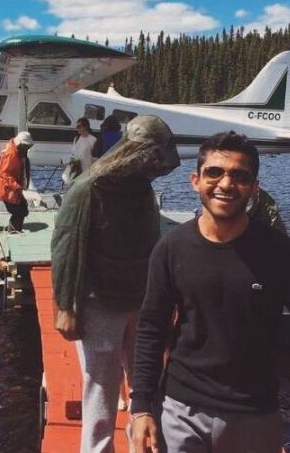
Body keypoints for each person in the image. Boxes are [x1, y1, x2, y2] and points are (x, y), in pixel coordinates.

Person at [131, 131, 290, 453]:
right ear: (195, 180)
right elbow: (151, 329)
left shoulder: (281, 253)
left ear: (254, 187)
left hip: (255, 414)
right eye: (214, 172)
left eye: (239, 176)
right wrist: (141, 408)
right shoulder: (171, 248)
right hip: (181, 409)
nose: (225, 184)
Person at [51, 115, 181, 453]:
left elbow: (154, 243)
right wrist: (65, 306)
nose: (154, 165)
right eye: (150, 156)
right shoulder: (88, 188)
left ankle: (145, 444)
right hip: (100, 304)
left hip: (140, 302)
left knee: (145, 383)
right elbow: (65, 248)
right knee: (101, 388)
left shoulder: (142, 190)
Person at [0, 131, 33, 234]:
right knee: (19, 211)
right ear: (20, 144)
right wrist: (18, 187)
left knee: (22, 209)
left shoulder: (16, 151)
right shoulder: (10, 154)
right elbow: (5, 175)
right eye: (26, 146)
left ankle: (14, 230)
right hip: (7, 188)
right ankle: (13, 231)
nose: (27, 149)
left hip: (11, 187)